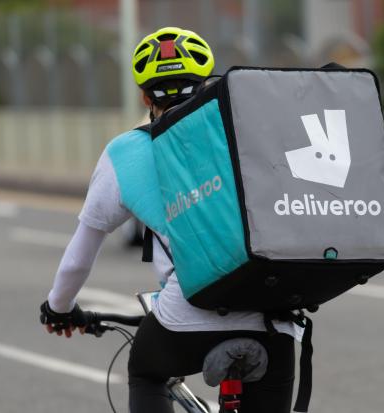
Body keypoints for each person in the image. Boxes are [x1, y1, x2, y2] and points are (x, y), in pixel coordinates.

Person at [39, 27, 299, 413]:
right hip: (272, 317)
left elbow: (79, 256)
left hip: (187, 314)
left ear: (145, 96)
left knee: (146, 371)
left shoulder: (125, 153)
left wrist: (59, 308)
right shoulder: (247, 134)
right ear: (207, 83)